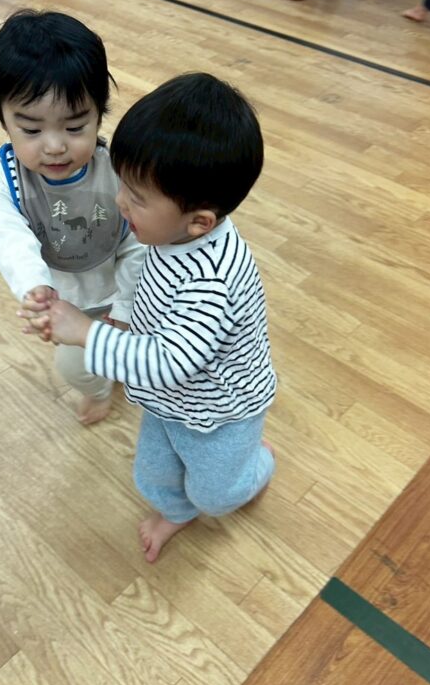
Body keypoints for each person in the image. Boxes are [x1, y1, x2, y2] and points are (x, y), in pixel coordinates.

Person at [20, 74, 277, 563]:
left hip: (220, 411)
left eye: (136, 197)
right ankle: (175, 512)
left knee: (217, 496)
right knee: (152, 475)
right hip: (168, 399)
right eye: (123, 184)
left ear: (199, 221)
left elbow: (168, 361)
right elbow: (146, 293)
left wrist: (86, 331)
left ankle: (257, 462)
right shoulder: (169, 233)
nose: (120, 202)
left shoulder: (212, 281)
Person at [0, 10, 145, 425]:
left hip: (127, 290)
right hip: (65, 300)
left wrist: (125, 307)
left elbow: (138, 243)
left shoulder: (117, 166)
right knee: (76, 368)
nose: (54, 147)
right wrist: (35, 288)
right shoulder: (2, 176)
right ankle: (99, 389)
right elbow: (7, 236)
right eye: (31, 130)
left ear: (99, 114)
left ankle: (123, 370)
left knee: (139, 353)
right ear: (4, 120)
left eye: (74, 127)